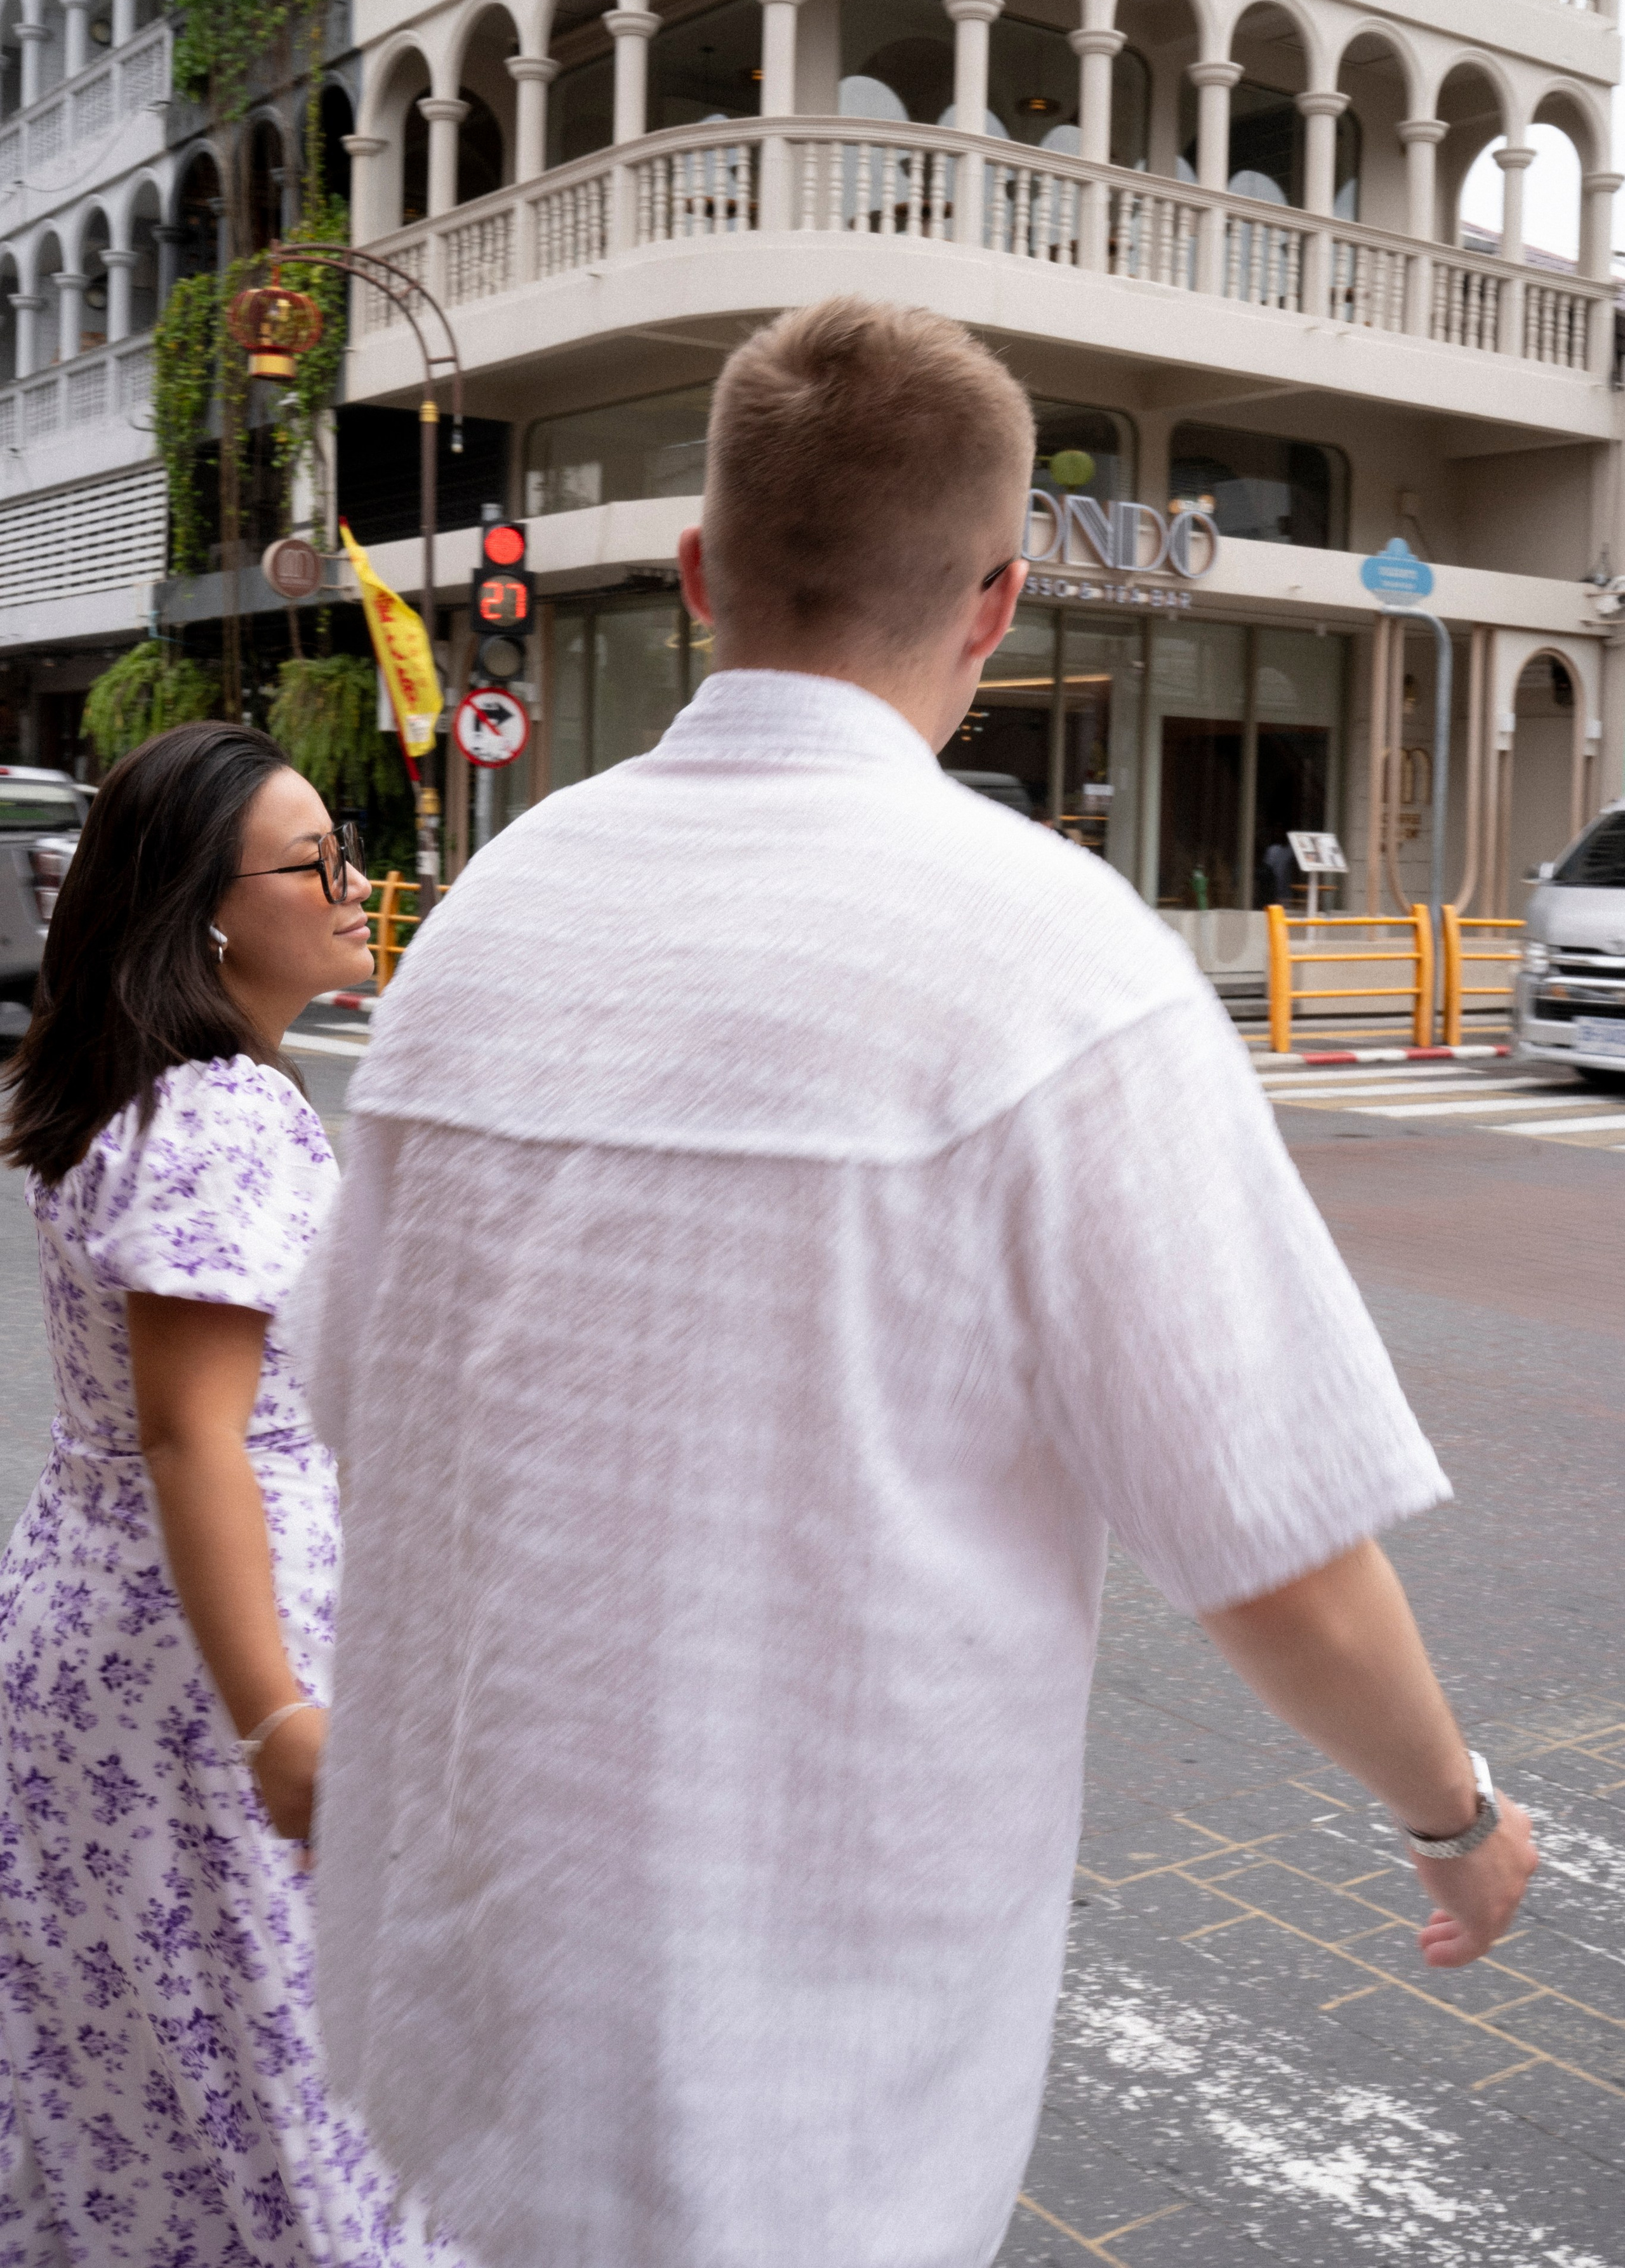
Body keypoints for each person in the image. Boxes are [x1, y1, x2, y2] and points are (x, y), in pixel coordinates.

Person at [296, 300, 1537, 2268]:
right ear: (997, 604)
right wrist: (1456, 1818)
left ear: (700, 574)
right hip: (798, 2070)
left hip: (455, 2000)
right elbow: (1275, 1539)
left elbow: (355, 1398)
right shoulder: (1048, 955)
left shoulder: (485, 926)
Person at [0, 723, 465, 2266]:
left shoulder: (137, 1093)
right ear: (204, 909)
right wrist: (276, 1718)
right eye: (315, 860)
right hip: (200, 1667)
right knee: (270, 2085)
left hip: (101, 1635)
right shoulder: (218, 1110)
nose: (354, 884)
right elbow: (194, 1437)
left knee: (126, 2069)